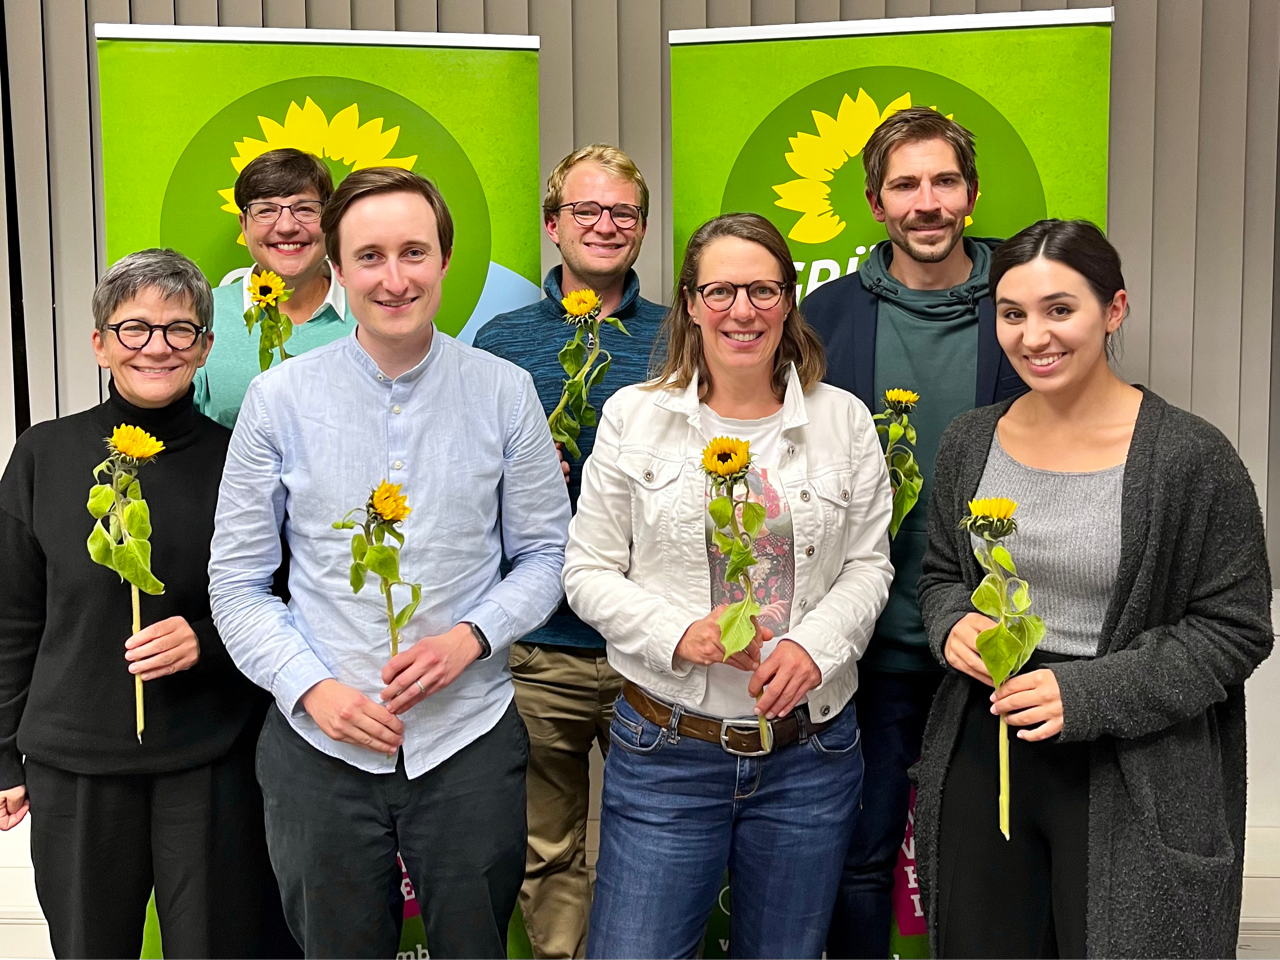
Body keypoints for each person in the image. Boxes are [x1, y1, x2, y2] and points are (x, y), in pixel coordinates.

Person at [208, 166, 571, 960]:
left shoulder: (505, 393)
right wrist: (313, 688)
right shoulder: (279, 400)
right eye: (370, 256)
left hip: (466, 739)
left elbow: (548, 554)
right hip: (320, 748)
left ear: (445, 260)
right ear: (336, 270)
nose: (395, 277)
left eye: (415, 252)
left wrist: (471, 637)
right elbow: (235, 582)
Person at [915, 219, 1273, 959]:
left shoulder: (1189, 456)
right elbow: (942, 575)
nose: (1033, 336)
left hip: (1135, 764)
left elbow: (1235, 626)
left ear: (1113, 310)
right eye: (1012, 314)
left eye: (1059, 309)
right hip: (987, 748)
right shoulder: (969, 440)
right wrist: (952, 621)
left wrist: (1091, 693)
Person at [564, 212, 894, 960]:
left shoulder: (844, 422)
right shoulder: (634, 417)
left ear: (787, 300)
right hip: (667, 752)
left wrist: (815, 647)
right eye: (719, 291)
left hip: (810, 758)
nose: (741, 311)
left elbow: (869, 566)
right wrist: (679, 634)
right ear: (688, 303)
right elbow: (585, 571)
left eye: (762, 290)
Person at [0, 249, 296, 960]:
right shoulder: (44, 454)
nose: (156, 346)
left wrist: (207, 640)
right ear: (99, 342)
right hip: (74, 766)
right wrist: (4, 758)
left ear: (206, 348)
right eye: (134, 328)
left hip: (213, 759)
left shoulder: (244, 461)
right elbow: (13, 617)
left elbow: (290, 598)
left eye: (179, 329)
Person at [801, 106, 1027, 959]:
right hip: (869, 653)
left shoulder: (1024, 303)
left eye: (943, 182)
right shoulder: (822, 318)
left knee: (992, 861)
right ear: (874, 202)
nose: (926, 202)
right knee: (857, 862)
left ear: (970, 194)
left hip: (995, 644)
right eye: (905, 185)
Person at [472, 143, 665, 960]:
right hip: (540, 645)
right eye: (585, 210)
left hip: (649, 647)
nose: (604, 225)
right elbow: (461, 474)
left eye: (622, 213)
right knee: (546, 846)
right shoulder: (503, 339)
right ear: (553, 225)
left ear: (643, 230)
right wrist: (510, 477)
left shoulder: (678, 337)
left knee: (654, 840)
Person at [194, 147, 355, 429]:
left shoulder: (372, 313)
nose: (287, 226)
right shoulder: (202, 315)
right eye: (266, 211)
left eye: (305, 209)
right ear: (244, 225)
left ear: (329, 219)